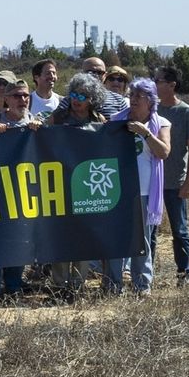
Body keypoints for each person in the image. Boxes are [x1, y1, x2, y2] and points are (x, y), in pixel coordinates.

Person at [47, 74, 110, 300]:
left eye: (82, 96)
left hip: (86, 187)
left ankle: (77, 285)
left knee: (82, 237)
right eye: (73, 94)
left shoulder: (99, 120)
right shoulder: (59, 117)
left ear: (92, 98)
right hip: (60, 185)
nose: (77, 99)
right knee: (61, 235)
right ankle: (59, 285)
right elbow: (42, 140)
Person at [109, 78, 171, 294]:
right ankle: (112, 285)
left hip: (145, 191)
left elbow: (163, 152)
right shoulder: (116, 122)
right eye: (132, 95)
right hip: (118, 190)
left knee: (141, 241)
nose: (133, 100)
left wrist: (144, 133)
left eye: (139, 96)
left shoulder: (160, 123)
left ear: (150, 101)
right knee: (116, 237)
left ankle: (142, 285)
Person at [0, 80, 40, 299]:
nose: (22, 100)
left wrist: (39, 133)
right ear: (6, 99)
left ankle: (14, 287)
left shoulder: (33, 120)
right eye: (16, 96)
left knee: (19, 239)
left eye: (25, 96)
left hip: (23, 191)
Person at [154, 65, 189, 285]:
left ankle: (184, 272)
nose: (155, 84)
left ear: (172, 84)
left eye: (159, 81)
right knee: (150, 230)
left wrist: (188, 181)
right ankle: (147, 273)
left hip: (175, 182)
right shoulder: (151, 109)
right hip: (152, 182)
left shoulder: (187, 113)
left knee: (179, 230)